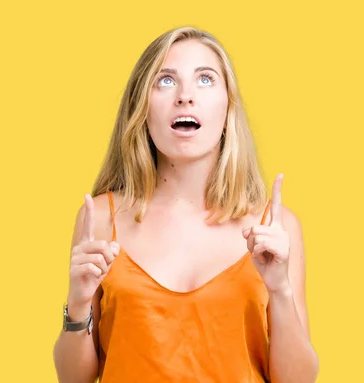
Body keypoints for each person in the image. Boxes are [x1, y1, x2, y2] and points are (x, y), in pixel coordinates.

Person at [53, 26, 319, 383]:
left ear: (229, 106)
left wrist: (280, 291)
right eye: (165, 81)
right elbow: (74, 380)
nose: (185, 96)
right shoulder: (99, 219)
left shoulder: (276, 226)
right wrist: (79, 303)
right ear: (141, 107)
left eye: (205, 80)